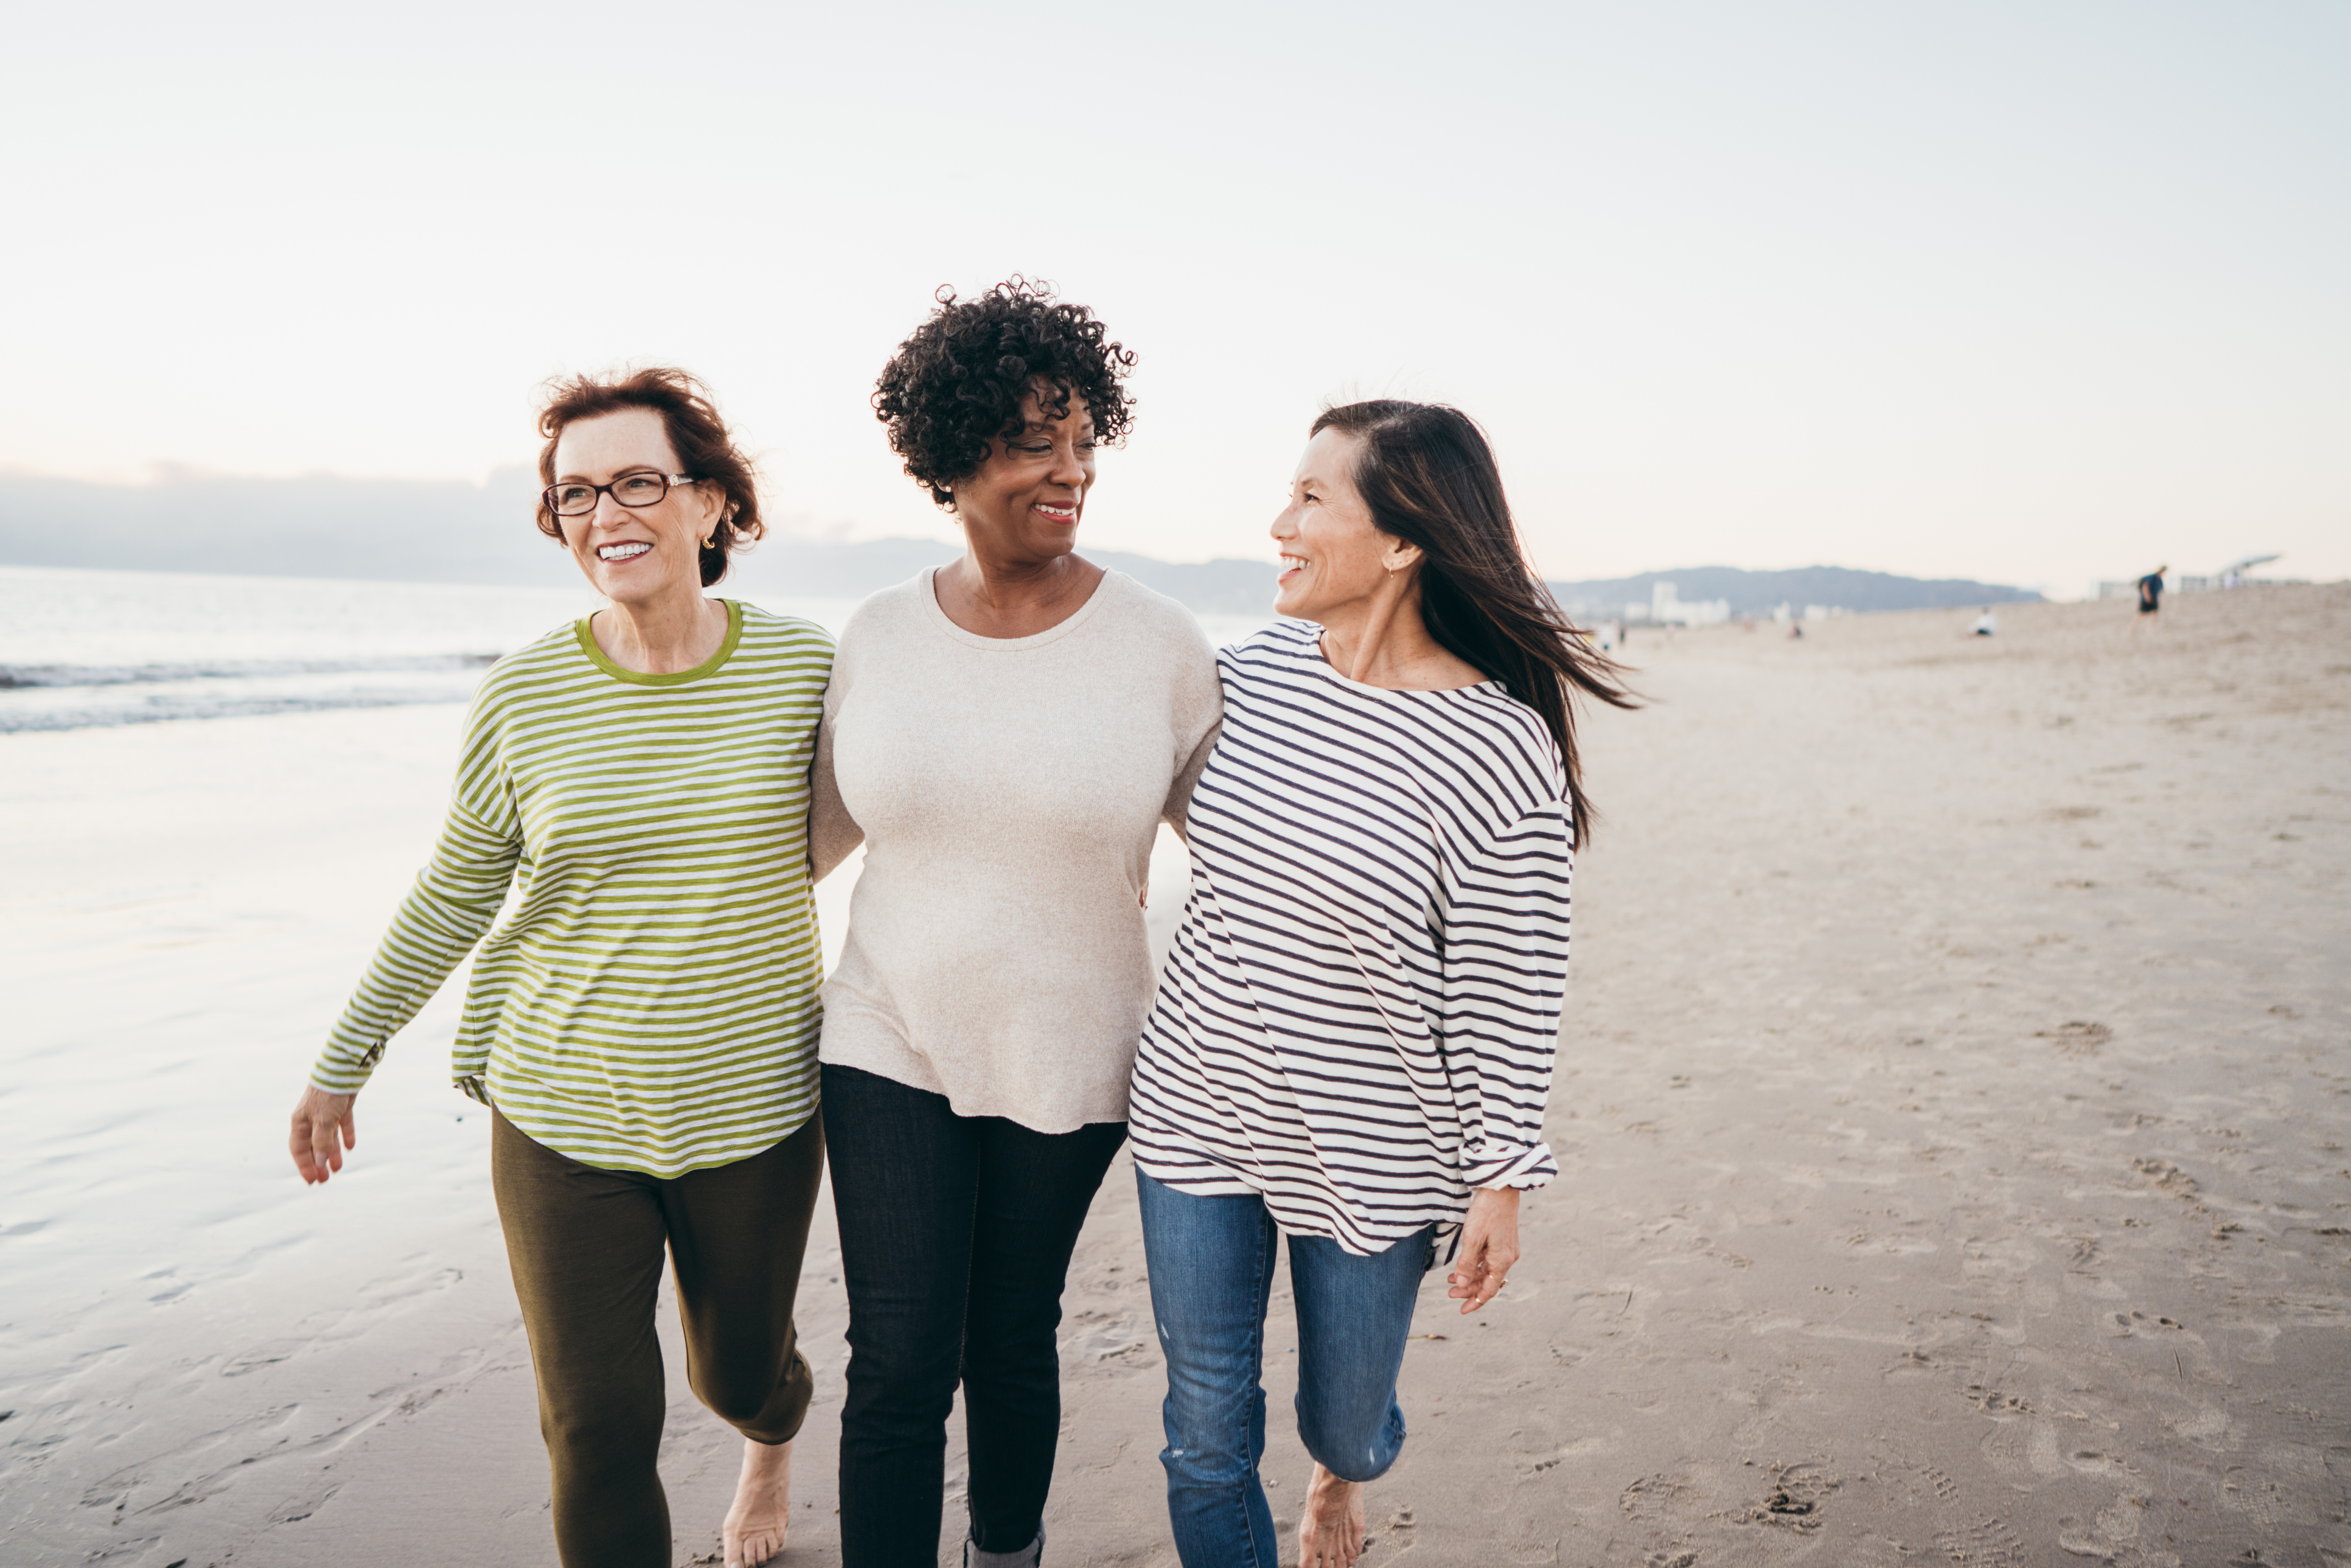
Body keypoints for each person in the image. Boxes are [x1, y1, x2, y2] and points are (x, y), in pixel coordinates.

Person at [289, 369, 832, 1568]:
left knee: (740, 1370)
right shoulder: (524, 693)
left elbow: (911, 812)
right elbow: (452, 893)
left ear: (711, 505)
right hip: (561, 1106)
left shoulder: (808, 671)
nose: (605, 513)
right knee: (596, 1424)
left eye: (638, 480)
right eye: (574, 491)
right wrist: (343, 1064)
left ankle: (773, 1432)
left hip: (753, 1109)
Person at [1126, 400, 1634, 1568]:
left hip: (1376, 1145)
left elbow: (1509, 989)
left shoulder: (1496, 747)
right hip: (1196, 1113)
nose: (1277, 525)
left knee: (1344, 1418)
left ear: (1402, 541)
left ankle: (1340, 1477)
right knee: (1203, 1436)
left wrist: (1500, 1178)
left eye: (1310, 500)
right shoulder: (1242, 680)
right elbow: (1094, 772)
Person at [809, 279, 1222, 1568]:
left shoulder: (1159, 643)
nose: (1070, 471)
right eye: (1037, 439)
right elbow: (799, 844)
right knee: (897, 1355)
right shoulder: (875, 636)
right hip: (886, 1031)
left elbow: (1250, 860)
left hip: (1075, 1041)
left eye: (1086, 442)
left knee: (1008, 1331)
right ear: (951, 450)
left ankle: (1007, 1550)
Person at [2134, 564, 2167, 630]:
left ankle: (2150, 629)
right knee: (2142, 614)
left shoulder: (2159, 580)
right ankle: (2133, 628)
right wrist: (2147, 596)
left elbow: (2161, 590)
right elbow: (2145, 586)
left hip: (2154, 599)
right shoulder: (2152, 577)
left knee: (2154, 613)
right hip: (2147, 599)